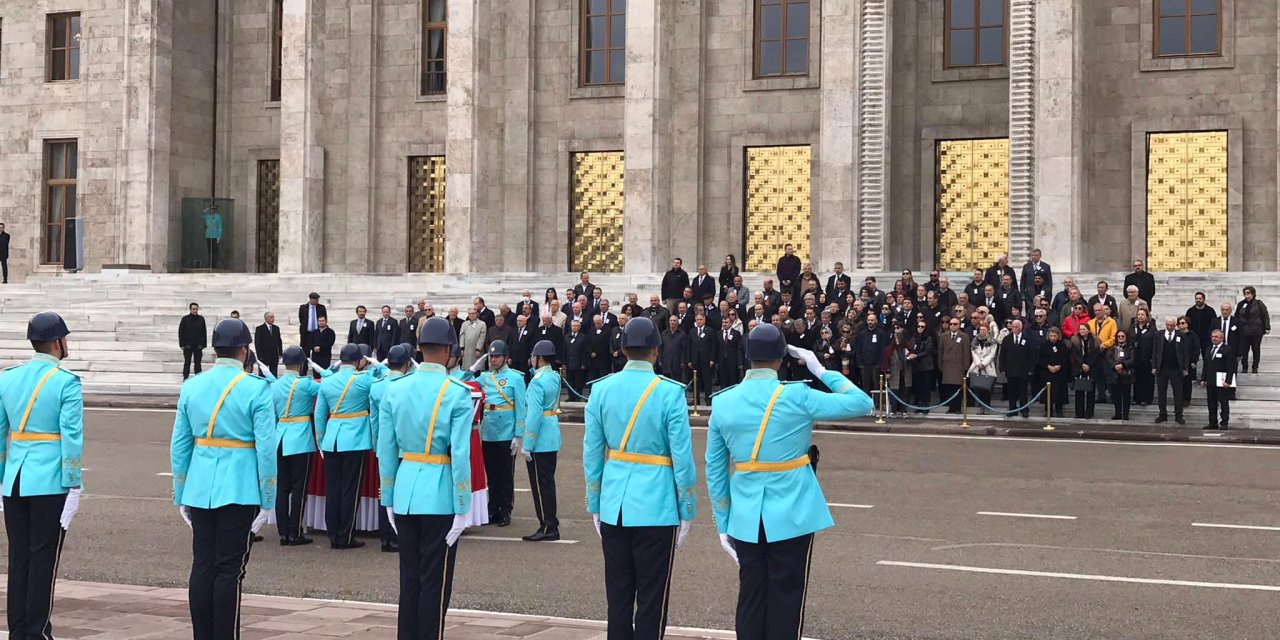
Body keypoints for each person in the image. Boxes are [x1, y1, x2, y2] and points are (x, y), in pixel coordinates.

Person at [705, 324, 873, 640]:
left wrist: (723, 521)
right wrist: (820, 369)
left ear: (746, 357)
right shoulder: (798, 396)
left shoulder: (723, 402)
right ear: (782, 358)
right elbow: (861, 403)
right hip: (793, 512)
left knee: (751, 596)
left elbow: (715, 468)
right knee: (786, 597)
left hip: (745, 515)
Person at [583, 317, 697, 640]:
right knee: (652, 598)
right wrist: (686, 507)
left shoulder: (601, 390)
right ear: (656, 352)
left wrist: (595, 501)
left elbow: (592, 454)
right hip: (657, 505)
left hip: (614, 503)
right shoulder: (670, 393)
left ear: (622, 350)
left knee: (617, 597)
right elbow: (682, 459)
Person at [170, 318, 275, 640]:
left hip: (200, 486)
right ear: (244, 350)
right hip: (240, 488)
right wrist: (268, 499)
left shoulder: (192, 385)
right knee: (229, 570)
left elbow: (180, 444)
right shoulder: (255, 388)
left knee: (202, 565)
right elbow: (266, 448)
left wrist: (181, 492)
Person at [377, 317, 473, 640]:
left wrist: (387, 498)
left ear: (419, 348)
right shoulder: (457, 393)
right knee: (435, 584)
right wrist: (463, 505)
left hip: (405, 491)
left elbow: (385, 449)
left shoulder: (395, 389)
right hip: (440, 493)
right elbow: (460, 454)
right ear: (449, 350)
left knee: (410, 582)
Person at [1, 312, 83, 640]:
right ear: (56, 342)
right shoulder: (65, 382)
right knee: (43, 559)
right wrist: (74, 482)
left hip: (16, 478)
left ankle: (18, 629)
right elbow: (71, 437)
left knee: (18, 557)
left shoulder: (7, 378)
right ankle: (37, 631)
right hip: (50, 479)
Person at [316, 343, 383, 549]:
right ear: (358, 361)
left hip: (331, 439)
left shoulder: (327, 381)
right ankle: (345, 535)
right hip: (355, 438)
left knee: (333, 488)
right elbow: (385, 382)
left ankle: (333, 533)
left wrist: (321, 440)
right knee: (350, 489)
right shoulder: (364, 380)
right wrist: (379, 365)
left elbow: (320, 414)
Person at [271, 346, 328, 547]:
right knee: (299, 488)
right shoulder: (305, 384)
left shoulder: (275, 385)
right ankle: (295, 532)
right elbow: (329, 387)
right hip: (300, 438)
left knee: (282, 488)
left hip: (280, 437)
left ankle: (283, 532)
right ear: (302, 364)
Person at [474, 340, 525, 527]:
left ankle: (505, 510)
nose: (493, 360)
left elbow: (520, 407)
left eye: (497, 356)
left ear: (505, 358)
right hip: (488, 431)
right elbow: (463, 382)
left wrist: (518, 435)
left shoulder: (515, 378)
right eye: (491, 356)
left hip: (506, 432)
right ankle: (492, 508)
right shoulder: (485, 377)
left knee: (505, 475)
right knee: (492, 474)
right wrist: (473, 368)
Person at [520, 340, 562, 541]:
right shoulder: (554, 377)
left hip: (540, 439)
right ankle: (550, 522)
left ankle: (547, 525)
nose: (532, 360)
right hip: (551, 435)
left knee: (540, 485)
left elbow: (534, 415)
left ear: (540, 358)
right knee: (547, 483)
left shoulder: (537, 382)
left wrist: (527, 444)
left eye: (534, 357)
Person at [1152, 317, 1191, 425]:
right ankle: (1162, 414)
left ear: (1175, 326)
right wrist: (1154, 366)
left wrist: (1185, 368)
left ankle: (1179, 415)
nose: (1169, 327)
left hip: (1176, 368)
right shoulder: (1159, 335)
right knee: (1161, 392)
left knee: (1178, 393)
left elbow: (1185, 353)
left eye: (1172, 325)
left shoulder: (1181, 336)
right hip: (1162, 368)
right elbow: (1155, 352)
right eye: (1168, 325)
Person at [999, 320, 1036, 417]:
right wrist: (1002, 368)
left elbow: (1032, 355)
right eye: (1013, 326)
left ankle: (1024, 410)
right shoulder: (1007, 339)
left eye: (1016, 327)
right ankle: (1012, 409)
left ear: (1021, 327)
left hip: (1023, 370)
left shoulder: (1027, 339)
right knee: (1012, 392)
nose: (1014, 328)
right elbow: (1002, 355)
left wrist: (1031, 369)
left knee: (1023, 392)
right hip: (1010, 370)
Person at [1201, 329, 1236, 430]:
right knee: (1211, 403)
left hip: (1222, 381)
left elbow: (1231, 366)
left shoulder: (1227, 349)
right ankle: (1213, 422)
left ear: (1222, 338)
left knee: (1223, 402)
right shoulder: (1209, 349)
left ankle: (1224, 422)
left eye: (1216, 337)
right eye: (1212, 336)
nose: (1214, 339)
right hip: (1211, 380)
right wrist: (1203, 379)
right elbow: (1206, 365)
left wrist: (1228, 381)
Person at [938, 318, 972, 414]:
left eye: (955, 324)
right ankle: (951, 408)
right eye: (951, 324)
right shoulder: (943, 336)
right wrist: (940, 365)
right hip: (947, 366)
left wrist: (965, 367)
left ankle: (957, 408)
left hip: (958, 367)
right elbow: (940, 352)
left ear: (959, 325)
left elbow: (966, 353)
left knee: (958, 388)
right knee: (949, 388)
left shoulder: (964, 336)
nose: (952, 325)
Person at [1235, 286, 1270, 374]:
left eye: (1248, 293)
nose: (1247, 295)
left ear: (1253, 294)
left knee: (1256, 349)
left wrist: (1267, 327)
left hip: (1256, 331)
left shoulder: (1258, 303)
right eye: (1245, 293)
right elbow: (1236, 317)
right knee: (1244, 350)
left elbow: (1265, 315)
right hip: (1244, 331)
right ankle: (1245, 367)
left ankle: (1255, 367)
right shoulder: (1241, 304)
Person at [881, 324, 914, 418]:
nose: (897, 340)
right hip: (894, 373)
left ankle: (904, 411)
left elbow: (912, 358)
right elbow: (885, 361)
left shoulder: (907, 348)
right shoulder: (890, 349)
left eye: (898, 338)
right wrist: (887, 371)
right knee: (894, 392)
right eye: (895, 339)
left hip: (905, 373)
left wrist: (911, 357)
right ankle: (893, 411)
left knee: (905, 392)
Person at [1071, 323, 1101, 419]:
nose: (1082, 331)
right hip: (1079, 367)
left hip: (1091, 368)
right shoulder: (1075, 340)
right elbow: (1075, 354)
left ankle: (1089, 412)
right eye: (1080, 329)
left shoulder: (1095, 341)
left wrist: (1089, 364)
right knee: (1079, 391)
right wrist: (1082, 364)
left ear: (1088, 330)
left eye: (1084, 329)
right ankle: (1079, 413)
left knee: (1090, 392)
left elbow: (1096, 354)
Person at [1039, 327, 1071, 418]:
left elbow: (1065, 359)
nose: (1053, 337)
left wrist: (1059, 366)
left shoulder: (1062, 346)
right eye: (1051, 336)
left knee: (1059, 392)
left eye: (1054, 336)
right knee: (1048, 392)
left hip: (1059, 373)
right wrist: (1048, 366)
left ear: (1058, 336)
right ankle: (1048, 410)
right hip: (1047, 372)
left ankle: (1059, 410)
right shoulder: (1044, 346)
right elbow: (1041, 359)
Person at [1104, 330, 1136, 420]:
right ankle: (1117, 413)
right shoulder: (1113, 347)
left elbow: (1132, 359)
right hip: (1115, 374)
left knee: (1126, 395)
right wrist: (1115, 365)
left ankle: (1125, 414)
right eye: (1119, 336)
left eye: (1122, 336)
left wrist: (1123, 365)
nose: (1120, 338)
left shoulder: (1130, 347)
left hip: (1126, 374)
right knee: (1116, 395)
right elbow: (1108, 357)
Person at [968, 325, 998, 411]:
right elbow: (973, 352)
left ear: (988, 330)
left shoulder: (992, 341)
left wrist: (983, 363)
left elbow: (992, 354)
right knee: (977, 387)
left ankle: (986, 407)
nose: (982, 331)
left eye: (984, 329)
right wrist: (978, 363)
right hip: (976, 365)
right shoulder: (974, 341)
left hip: (988, 366)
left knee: (987, 389)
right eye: (980, 329)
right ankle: (978, 406)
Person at [1131, 309, 1157, 406]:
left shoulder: (1152, 329)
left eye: (1142, 314)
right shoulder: (1133, 327)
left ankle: (1146, 398)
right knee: (1136, 379)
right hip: (1136, 357)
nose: (1140, 316)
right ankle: (1136, 398)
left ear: (1147, 316)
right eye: (1139, 314)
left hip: (1147, 358)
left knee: (1147, 379)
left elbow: (1155, 343)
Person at [688, 314, 718, 398]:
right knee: (695, 380)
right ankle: (695, 400)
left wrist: (712, 359)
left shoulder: (710, 331)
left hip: (706, 360)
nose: (699, 321)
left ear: (704, 320)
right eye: (697, 320)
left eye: (701, 319)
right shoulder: (692, 331)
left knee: (707, 380)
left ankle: (708, 398)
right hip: (695, 360)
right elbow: (689, 346)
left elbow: (713, 346)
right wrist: (689, 360)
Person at [179, 302, 208, 380]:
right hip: (188, 345)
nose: (195, 310)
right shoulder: (185, 319)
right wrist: (181, 344)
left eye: (196, 309)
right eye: (193, 309)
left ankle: (198, 378)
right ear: (190, 309)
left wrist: (204, 344)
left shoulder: (201, 319)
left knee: (198, 363)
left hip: (198, 345)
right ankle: (185, 377)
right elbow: (181, 332)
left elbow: (204, 332)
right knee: (187, 362)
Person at [658, 316, 689, 383]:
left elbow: (684, 349)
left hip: (677, 362)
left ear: (677, 323)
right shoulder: (663, 334)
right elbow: (660, 348)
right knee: (666, 382)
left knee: (677, 382)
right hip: (666, 362)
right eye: (671, 320)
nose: (672, 322)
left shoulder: (682, 334)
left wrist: (683, 361)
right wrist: (660, 360)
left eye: (674, 321)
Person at [253, 312, 283, 377]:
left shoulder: (276, 328)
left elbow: (279, 341)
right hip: (263, 357)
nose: (273, 319)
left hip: (274, 356)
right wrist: (259, 356)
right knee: (262, 375)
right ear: (266, 318)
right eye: (271, 317)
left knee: (274, 375)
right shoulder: (259, 329)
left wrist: (280, 353)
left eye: (273, 317)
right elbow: (257, 343)